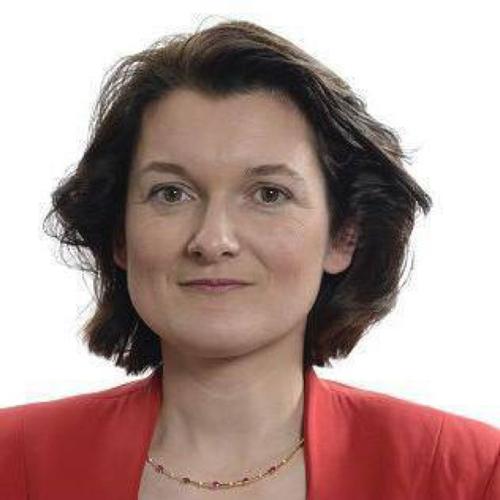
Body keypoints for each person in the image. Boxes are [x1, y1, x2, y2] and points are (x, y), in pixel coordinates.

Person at [1, 18, 498, 500]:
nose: (212, 240)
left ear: (343, 236)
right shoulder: (12, 461)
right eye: (171, 193)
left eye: (268, 194)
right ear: (120, 236)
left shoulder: (469, 474)